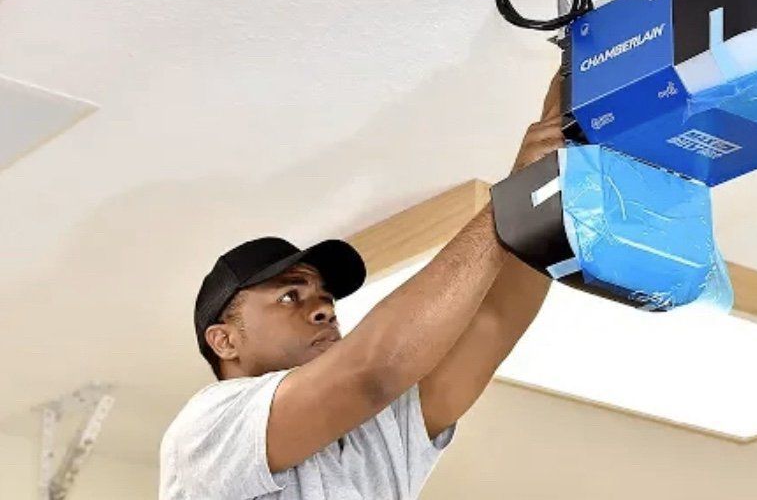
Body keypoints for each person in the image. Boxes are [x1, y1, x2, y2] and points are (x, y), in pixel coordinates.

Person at [159, 70, 566, 499]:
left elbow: (493, 319)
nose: (323, 309)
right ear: (224, 341)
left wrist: (548, 174)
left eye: (325, 296)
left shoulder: (378, 430)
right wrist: (512, 199)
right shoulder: (206, 428)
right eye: (289, 295)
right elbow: (373, 369)